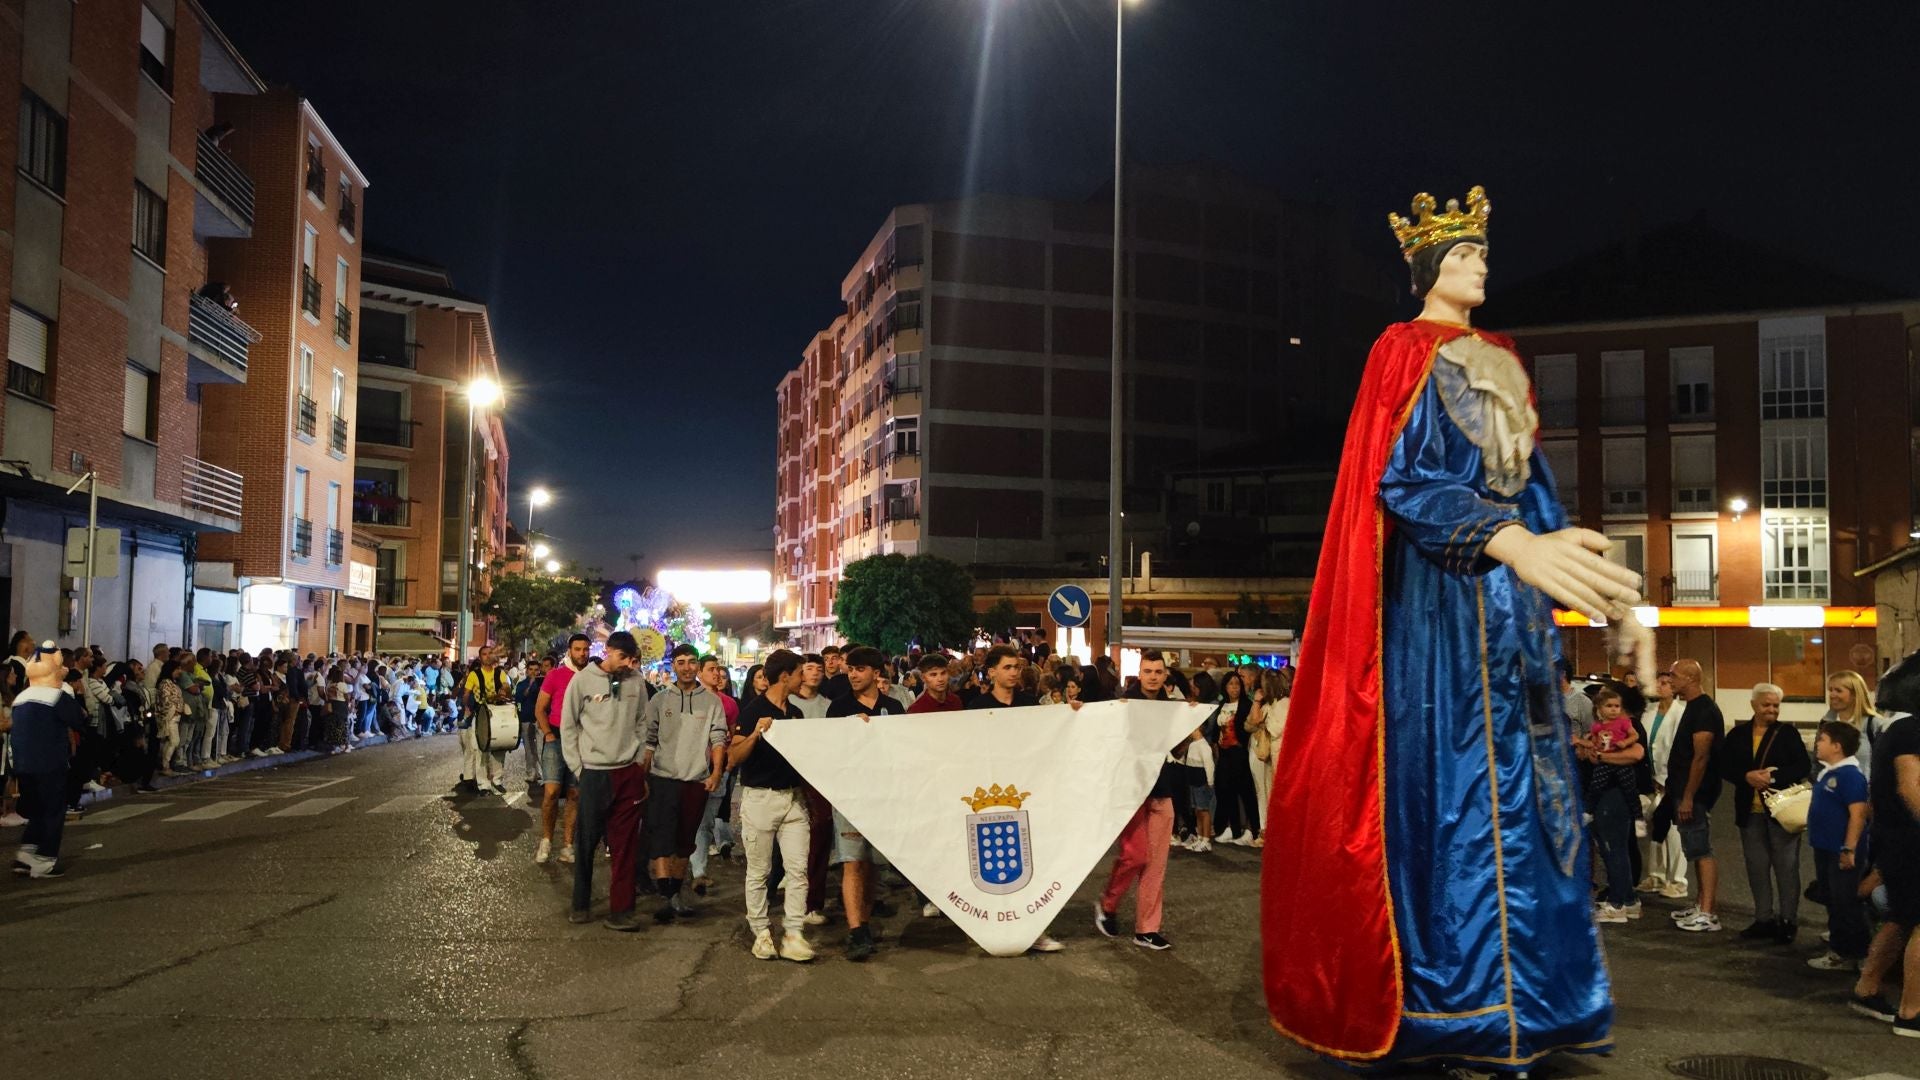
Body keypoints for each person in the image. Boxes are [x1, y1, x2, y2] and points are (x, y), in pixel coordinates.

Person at [1263, 188, 1642, 1067]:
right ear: (1429, 272)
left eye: (1480, 252)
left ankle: (1537, 1008)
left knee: (1533, 798)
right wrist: (1508, 539)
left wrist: (1620, 599)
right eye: (1462, 255)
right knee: (1457, 799)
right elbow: (1401, 480)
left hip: (1511, 610)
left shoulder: (1501, 357)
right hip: (1438, 605)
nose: (1479, 264)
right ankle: (1456, 1014)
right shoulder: (1399, 354)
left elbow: (1537, 492)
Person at [1095, 650, 1199, 952]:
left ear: (1166, 675)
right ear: (1139, 674)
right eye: (1148, 671)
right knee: (1136, 855)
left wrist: (1188, 726)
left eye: (1158, 671)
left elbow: (1176, 753)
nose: (1153, 676)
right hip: (1130, 791)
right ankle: (1108, 903)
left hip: (1162, 790)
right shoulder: (1124, 705)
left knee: (1156, 866)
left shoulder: (1171, 709)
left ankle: (1147, 929)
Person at [729, 648, 816, 962]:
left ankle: (793, 933)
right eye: (800, 672)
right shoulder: (753, 709)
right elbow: (733, 757)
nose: (804, 677)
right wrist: (755, 734)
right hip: (760, 799)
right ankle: (761, 933)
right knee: (760, 871)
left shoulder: (795, 714)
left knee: (797, 870)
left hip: (793, 799)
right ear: (785, 675)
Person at [823, 646, 908, 961]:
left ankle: (866, 923)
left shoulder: (894, 707)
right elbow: (830, 751)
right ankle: (856, 931)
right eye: (850, 669)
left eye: (859, 669)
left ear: (877, 673)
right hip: (850, 796)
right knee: (853, 862)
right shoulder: (838, 708)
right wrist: (850, 733)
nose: (853, 675)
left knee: (873, 865)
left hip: (883, 797)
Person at [560, 631, 649, 931]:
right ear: (608, 651)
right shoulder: (583, 681)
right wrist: (579, 768)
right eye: (623, 657)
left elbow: (642, 722)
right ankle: (580, 904)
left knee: (626, 845)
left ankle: (621, 910)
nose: (628, 664)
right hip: (594, 773)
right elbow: (569, 726)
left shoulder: (636, 682)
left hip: (628, 772)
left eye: (632, 659)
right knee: (586, 842)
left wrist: (637, 762)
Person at [640, 645, 728, 923]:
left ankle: (674, 894)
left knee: (684, 841)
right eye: (681, 662)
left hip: (695, 780)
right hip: (663, 779)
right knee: (662, 840)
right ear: (673, 666)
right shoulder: (659, 700)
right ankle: (668, 897)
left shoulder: (712, 702)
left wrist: (715, 773)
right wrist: (642, 778)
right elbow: (649, 742)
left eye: (692, 662)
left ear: (698, 667)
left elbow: (718, 740)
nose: (687, 667)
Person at [1720, 683, 1812, 944]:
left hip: (1781, 813)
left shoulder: (1788, 734)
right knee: (1756, 868)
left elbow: (1802, 765)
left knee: (1787, 868)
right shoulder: (1738, 735)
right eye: (1766, 705)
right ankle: (1763, 918)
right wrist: (1746, 777)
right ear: (1753, 705)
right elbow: (1724, 766)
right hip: (1750, 813)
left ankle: (1788, 920)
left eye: (1775, 705)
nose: (1771, 709)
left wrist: (1772, 777)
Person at [1848, 709, 1920, 1038]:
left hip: (1895, 838)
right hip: (1910, 839)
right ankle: (1911, 1013)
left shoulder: (1899, 728)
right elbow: (1910, 786)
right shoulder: (1911, 730)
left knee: (1901, 918)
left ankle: (1867, 990)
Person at [1659, 659, 1726, 933]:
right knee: (1694, 849)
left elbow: (1701, 757)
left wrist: (1688, 796)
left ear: (1689, 677)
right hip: (1685, 790)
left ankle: (1708, 913)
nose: (1670, 680)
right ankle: (1701, 904)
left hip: (1696, 793)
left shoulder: (1705, 711)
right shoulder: (1693, 707)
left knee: (1701, 849)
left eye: (1673, 675)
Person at [1576, 687, 1647, 923]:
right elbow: (1588, 751)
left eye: (1614, 704)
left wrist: (1603, 757)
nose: (1610, 709)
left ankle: (1617, 904)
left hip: (1614, 796)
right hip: (1605, 794)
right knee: (1616, 849)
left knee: (1613, 849)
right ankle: (1629, 900)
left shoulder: (1629, 727)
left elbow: (1636, 753)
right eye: (1606, 705)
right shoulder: (1602, 728)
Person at [1808, 721, 1871, 972]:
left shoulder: (1850, 776)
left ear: (1837, 746)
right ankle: (1842, 948)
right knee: (1833, 900)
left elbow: (1858, 815)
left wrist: (1849, 849)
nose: (1817, 744)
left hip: (1840, 851)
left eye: (1822, 740)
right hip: (1824, 848)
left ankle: (1852, 953)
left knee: (1845, 903)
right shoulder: (1829, 772)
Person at [690, 656, 746, 894]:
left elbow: (729, 739)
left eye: (719, 671)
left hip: (717, 770)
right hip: (689, 770)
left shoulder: (729, 704)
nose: (717, 674)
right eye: (711, 670)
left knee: (705, 822)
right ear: (700, 673)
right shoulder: (689, 699)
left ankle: (698, 871)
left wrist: (726, 767)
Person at [535, 635, 592, 865]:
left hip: (582, 743)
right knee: (550, 792)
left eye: (585, 649)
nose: (582, 654)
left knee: (574, 794)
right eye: (577, 649)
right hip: (556, 739)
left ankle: (568, 845)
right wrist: (548, 733)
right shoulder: (555, 675)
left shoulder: (593, 677)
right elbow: (540, 709)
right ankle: (546, 839)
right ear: (570, 651)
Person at [1639, 672, 1691, 899]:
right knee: (1654, 829)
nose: (1661, 687)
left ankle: (1678, 881)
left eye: (1667, 683)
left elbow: (1679, 751)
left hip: (1671, 780)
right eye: (1658, 682)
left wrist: (1668, 780)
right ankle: (1656, 876)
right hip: (1650, 778)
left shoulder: (1682, 714)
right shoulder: (1648, 713)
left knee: (1674, 831)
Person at [1210, 672, 1260, 847]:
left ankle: (1253, 829)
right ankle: (1233, 827)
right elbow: (1215, 730)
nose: (1234, 688)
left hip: (1240, 753)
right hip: (1223, 754)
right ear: (1225, 686)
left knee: (1245, 792)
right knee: (1225, 790)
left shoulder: (1246, 705)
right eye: (1231, 684)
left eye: (1237, 684)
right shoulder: (1221, 705)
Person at [459, 646, 513, 795]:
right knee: (481, 750)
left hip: (498, 713)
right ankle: (483, 784)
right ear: (480, 657)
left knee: (499, 748)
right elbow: (466, 694)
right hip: (481, 714)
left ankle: (497, 780)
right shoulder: (474, 675)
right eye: (484, 654)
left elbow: (507, 687)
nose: (488, 656)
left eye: (490, 653)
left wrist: (505, 690)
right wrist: (467, 706)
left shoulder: (500, 673)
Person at [1823, 669, 1887, 783]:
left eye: (1838, 690)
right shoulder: (1826, 724)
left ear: (1854, 694)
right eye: (1830, 690)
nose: (1832, 695)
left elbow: (1886, 763)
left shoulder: (1874, 724)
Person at [967, 646, 1039, 710]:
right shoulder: (978, 707)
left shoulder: (1031, 703)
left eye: (1016, 667)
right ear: (992, 672)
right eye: (1007, 668)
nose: (1014, 673)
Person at [515, 655, 547, 792]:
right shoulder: (521, 684)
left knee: (540, 748)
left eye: (536, 670)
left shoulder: (543, 684)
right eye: (531, 670)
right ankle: (531, 773)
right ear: (527, 671)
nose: (533, 672)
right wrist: (530, 684)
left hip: (539, 720)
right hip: (526, 718)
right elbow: (520, 698)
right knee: (528, 748)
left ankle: (543, 775)